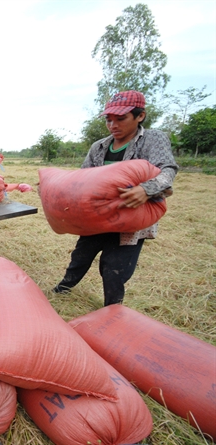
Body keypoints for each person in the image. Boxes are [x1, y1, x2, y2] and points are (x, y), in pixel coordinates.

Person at [53, 90, 178, 306]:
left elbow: (167, 169)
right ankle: (62, 290)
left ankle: (112, 309)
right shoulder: (99, 147)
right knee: (81, 255)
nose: (113, 125)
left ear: (140, 116)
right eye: (109, 120)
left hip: (131, 219)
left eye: (121, 119)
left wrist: (146, 189)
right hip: (97, 216)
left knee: (114, 268)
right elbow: (83, 178)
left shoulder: (152, 139)